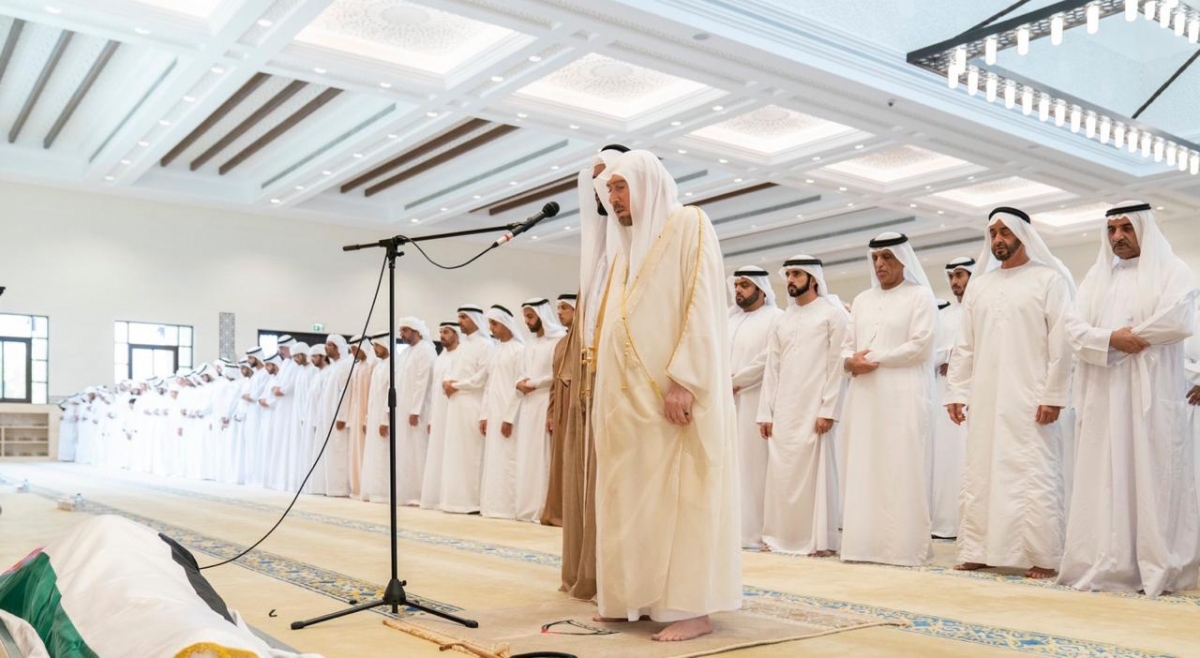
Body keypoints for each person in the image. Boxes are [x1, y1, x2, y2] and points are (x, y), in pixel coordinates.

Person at [591, 149, 740, 641]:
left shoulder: (689, 225)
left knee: (683, 500)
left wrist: (686, 381)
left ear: (647, 183)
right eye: (609, 190)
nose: (613, 199)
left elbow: (700, 304)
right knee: (629, 501)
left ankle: (690, 609)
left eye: (620, 187)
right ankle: (631, 598)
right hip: (627, 406)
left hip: (671, 398)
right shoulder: (626, 247)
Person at [1059, 201, 1199, 596]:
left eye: (1126, 228)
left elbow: (1177, 320)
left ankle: (1158, 562)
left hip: (1150, 397)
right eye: (1112, 229)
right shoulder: (1096, 277)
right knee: (1103, 476)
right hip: (1103, 395)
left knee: (1152, 474)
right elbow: (1073, 327)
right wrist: (1111, 339)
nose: (1118, 236)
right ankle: (1106, 559)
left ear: (1144, 230)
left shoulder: (1173, 271)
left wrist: (1127, 337)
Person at [946, 207, 1074, 579]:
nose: (998, 240)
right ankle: (978, 549)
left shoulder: (1049, 280)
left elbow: (1061, 343)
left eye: (1005, 232)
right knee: (981, 471)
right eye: (993, 234)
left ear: (1022, 234)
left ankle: (1043, 556)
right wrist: (956, 390)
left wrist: (1054, 394)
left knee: (1032, 472)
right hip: (986, 396)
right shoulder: (980, 286)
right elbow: (964, 344)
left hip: (1030, 397)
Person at [839, 232, 936, 567]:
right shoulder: (862, 299)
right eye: (876, 258)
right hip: (864, 395)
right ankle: (862, 545)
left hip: (903, 393)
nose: (880, 264)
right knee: (864, 463)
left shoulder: (920, 296)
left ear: (902, 260)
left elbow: (920, 346)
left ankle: (903, 548)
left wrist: (874, 359)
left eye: (887, 257)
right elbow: (846, 344)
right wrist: (849, 362)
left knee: (901, 464)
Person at [560, 144, 629, 601]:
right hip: (590, 385)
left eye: (615, 182)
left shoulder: (642, 248)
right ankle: (589, 570)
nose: (604, 192)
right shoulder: (600, 257)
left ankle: (622, 578)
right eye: (598, 183)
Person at [756, 255, 846, 556]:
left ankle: (818, 541)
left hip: (814, 406)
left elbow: (836, 366)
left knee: (814, 475)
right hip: (784, 408)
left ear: (813, 278)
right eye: (788, 274)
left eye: (797, 274)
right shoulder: (782, 318)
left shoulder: (832, 314)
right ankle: (778, 536)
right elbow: (773, 368)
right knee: (781, 473)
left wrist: (828, 409)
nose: (791, 280)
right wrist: (765, 412)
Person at [728, 265, 783, 549]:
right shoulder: (728, 320)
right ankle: (728, 530)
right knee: (727, 465)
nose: (738, 290)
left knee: (753, 466)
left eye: (745, 285)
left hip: (755, 399)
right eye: (736, 285)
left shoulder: (776, 318)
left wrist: (736, 380)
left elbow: (769, 360)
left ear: (761, 290)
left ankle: (754, 532)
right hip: (724, 401)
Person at [930, 257, 974, 539]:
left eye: (960, 275)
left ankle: (968, 525)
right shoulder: (943, 317)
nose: (955, 282)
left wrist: (956, 361)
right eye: (952, 277)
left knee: (967, 456)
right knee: (945, 457)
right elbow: (931, 352)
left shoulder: (980, 309)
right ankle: (944, 522)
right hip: (943, 395)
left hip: (972, 393)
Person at [513, 298, 567, 522]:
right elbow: (522, 371)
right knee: (527, 455)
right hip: (528, 404)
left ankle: (543, 507)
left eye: (530, 316)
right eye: (525, 316)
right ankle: (526, 507)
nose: (526, 321)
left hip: (546, 401)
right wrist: (519, 382)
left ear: (541, 316)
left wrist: (534, 384)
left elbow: (558, 373)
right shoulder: (530, 344)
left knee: (543, 455)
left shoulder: (558, 341)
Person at [440, 305, 495, 513]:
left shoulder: (486, 345)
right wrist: (447, 383)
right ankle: (454, 500)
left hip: (472, 403)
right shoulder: (462, 346)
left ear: (474, 319)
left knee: (471, 453)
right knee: (454, 453)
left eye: (463, 317)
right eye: (459, 318)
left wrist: (457, 385)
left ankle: (472, 501)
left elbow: (482, 377)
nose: (460, 321)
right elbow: (450, 371)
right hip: (455, 404)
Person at [478, 305, 527, 520]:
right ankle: (492, 506)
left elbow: (519, 387)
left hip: (511, 417)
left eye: (495, 324)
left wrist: (509, 418)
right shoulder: (496, 350)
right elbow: (489, 385)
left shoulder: (520, 350)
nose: (491, 329)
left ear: (506, 324)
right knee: (494, 459)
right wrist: (484, 414)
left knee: (509, 459)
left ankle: (508, 507)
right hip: (494, 414)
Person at [541, 294, 576, 527]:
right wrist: (551, 413)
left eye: (564, 308)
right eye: (558, 308)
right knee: (560, 461)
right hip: (562, 409)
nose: (559, 312)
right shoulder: (562, 343)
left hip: (579, 408)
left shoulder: (587, 340)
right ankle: (557, 512)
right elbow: (555, 382)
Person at [421, 322, 461, 510]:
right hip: (438, 413)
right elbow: (433, 391)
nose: (442, 335)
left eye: (446, 332)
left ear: (456, 334)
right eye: (440, 332)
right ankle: (436, 496)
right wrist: (431, 418)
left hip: (455, 412)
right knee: (437, 453)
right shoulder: (440, 358)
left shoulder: (461, 355)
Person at [396, 318, 436, 506]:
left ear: (416, 330)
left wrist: (415, 410)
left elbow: (423, 382)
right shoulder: (406, 353)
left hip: (419, 412)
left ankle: (421, 494)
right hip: (403, 408)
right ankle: (408, 492)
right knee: (406, 452)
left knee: (419, 450)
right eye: (400, 330)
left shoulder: (426, 350)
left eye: (405, 330)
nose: (401, 334)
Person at [361, 333, 395, 504]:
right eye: (373, 346)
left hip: (384, 418)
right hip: (374, 416)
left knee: (383, 454)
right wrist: (368, 418)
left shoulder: (392, 366)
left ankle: (383, 493)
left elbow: (390, 396)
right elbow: (373, 396)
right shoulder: (379, 366)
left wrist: (384, 420)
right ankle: (373, 491)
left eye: (377, 345)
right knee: (374, 454)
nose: (374, 349)